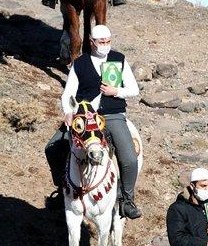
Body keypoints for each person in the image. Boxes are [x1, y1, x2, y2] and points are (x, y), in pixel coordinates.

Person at [44, 24, 142, 218]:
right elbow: (68, 93)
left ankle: (127, 200)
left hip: (113, 115)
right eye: (101, 42)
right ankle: (62, 188)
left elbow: (134, 89)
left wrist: (116, 91)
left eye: (108, 41)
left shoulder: (119, 59)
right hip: (86, 115)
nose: (105, 45)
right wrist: (68, 112)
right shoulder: (80, 63)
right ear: (92, 42)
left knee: (130, 158)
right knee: (52, 147)